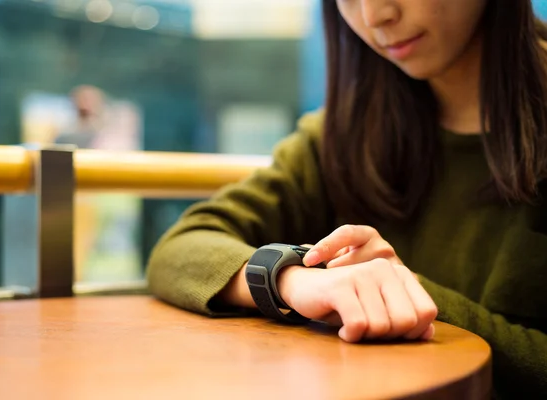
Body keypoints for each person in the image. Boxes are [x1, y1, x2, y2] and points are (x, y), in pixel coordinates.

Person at [147, 0, 547, 398]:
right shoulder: (349, 130)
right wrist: (290, 280)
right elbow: (181, 246)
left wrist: (408, 293)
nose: (374, 17)